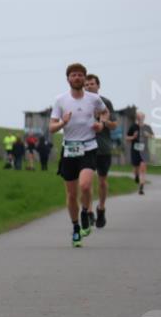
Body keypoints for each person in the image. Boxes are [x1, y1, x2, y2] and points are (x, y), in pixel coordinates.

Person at [50, 63, 108, 247]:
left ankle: (85, 212)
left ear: (84, 78)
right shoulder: (60, 100)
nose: (77, 78)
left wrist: (101, 124)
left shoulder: (94, 99)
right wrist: (62, 123)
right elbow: (51, 128)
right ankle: (76, 228)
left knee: (85, 185)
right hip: (69, 149)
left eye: (80, 75)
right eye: (73, 75)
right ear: (68, 79)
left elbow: (105, 112)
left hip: (89, 147)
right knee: (71, 193)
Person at [84, 74, 118, 228]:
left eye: (92, 84)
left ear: (98, 86)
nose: (89, 86)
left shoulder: (106, 103)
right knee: (86, 181)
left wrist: (103, 120)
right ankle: (89, 211)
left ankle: (101, 208)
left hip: (103, 147)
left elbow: (114, 125)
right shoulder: (80, 102)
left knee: (102, 181)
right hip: (85, 146)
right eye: (86, 84)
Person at [126, 112, 154, 195]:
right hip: (135, 150)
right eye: (139, 117)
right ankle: (136, 176)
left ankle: (141, 187)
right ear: (137, 118)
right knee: (136, 168)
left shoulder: (147, 127)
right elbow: (127, 138)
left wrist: (147, 135)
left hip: (144, 150)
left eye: (141, 117)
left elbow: (152, 136)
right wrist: (133, 137)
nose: (140, 118)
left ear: (144, 118)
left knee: (143, 168)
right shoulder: (133, 127)